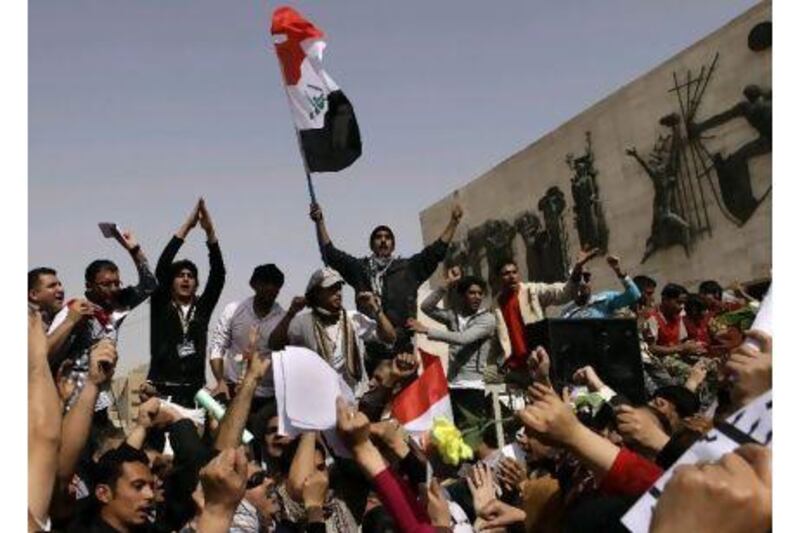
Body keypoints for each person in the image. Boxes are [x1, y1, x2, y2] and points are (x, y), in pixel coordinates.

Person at [309, 201, 463, 358]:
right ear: (371, 244)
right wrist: (320, 222)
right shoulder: (360, 269)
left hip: (403, 352)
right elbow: (330, 254)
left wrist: (454, 222)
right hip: (372, 351)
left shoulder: (408, 268)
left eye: (387, 237)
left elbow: (435, 252)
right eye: (378, 237)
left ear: (393, 245)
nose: (383, 240)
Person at [49, 227, 157, 412]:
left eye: (117, 283)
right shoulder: (75, 310)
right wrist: (72, 322)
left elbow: (150, 285)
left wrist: (134, 250)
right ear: (89, 286)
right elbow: (47, 351)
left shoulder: (117, 308)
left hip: (99, 399)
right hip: (70, 399)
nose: (114, 289)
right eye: (106, 284)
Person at [149, 198, 226, 407]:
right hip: (161, 389)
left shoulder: (202, 307)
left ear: (196, 283)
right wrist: (188, 226)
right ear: (170, 282)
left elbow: (218, 274)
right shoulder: (161, 304)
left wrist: (210, 233)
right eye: (180, 275)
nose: (185, 278)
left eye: (190, 276)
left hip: (195, 392)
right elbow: (162, 266)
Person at [409, 267, 496, 439]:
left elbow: (463, 338)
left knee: (472, 439)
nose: (477, 297)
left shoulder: (487, 319)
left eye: (480, 293)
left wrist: (427, 330)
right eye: (472, 293)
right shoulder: (453, 316)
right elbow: (426, 307)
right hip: (453, 384)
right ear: (463, 295)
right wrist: (446, 284)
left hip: (473, 385)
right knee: (454, 437)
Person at [282, 267, 396, 396]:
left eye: (339, 288)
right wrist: (291, 312)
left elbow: (390, 337)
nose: (338, 293)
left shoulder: (353, 319)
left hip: (355, 399)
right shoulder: (302, 323)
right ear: (316, 293)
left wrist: (376, 309)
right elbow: (277, 347)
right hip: (320, 398)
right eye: (331, 288)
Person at [493, 248, 598, 371]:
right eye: (506, 274)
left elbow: (562, 292)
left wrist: (577, 268)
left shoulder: (532, 291)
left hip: (539, 362)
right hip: (514, 369)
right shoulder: (495, 307)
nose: (511, 276)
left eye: (514, 272)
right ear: (498, 278)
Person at [208, 263, 297, 404]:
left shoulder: (284, 320)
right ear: (253, 284)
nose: (270, 288)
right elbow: (217, 347)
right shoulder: (233, 310)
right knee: (214, 423)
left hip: (268, 395)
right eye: (265, 282)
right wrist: (220, 382)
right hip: (232, 389)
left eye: (276, 284)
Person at [559, 254, 641, 319]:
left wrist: (619, 272)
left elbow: (634, 295)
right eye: (578, 279)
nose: (583, 282)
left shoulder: (604, 299)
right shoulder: (566, 312)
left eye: (586, 278)